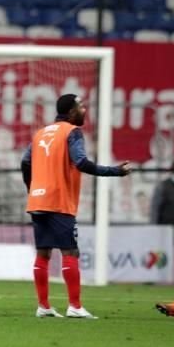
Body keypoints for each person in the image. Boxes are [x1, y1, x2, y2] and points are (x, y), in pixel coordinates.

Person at [21, 94, 131, 319]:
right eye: (81, 106)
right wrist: (115, 171)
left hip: (38, 199)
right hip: (59, 200)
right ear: (71, 111)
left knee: (43, 253)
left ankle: (43, 306)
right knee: (70, 251)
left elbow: (25, 162)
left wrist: (31, 188)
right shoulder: (72, 132)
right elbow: (81, 162)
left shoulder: (40, 133)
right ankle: (75, 306)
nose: (84, 110)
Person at [150, 159, 174, 281]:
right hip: (167, 226)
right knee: (165, 254)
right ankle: (163, 277)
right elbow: (155, 206)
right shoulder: (164, 186)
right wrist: (154, 225)